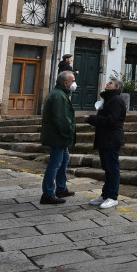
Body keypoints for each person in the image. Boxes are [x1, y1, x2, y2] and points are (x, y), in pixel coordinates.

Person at [84, 75, 126, 209]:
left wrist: (91, 118)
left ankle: (113, 197)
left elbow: (111, 120)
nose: (107, 84)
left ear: (117, 87)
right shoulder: (109, 99)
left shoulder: (116, 100)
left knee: (112, 168)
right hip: (105, 138)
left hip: (112, 139)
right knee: (107, 168)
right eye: (108, 82)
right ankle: (105, 195)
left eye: (111, 83)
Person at [40, 70, 77, 205]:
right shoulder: (59, 96)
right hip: (58, 136)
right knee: (55, 163)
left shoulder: (60, 94)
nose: (74, 84)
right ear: (65, 83)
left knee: (64, 158)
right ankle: (48, 193)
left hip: (58, 136)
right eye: (72, 81)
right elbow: (61, 119)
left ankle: (61, 188)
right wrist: (68, 134)